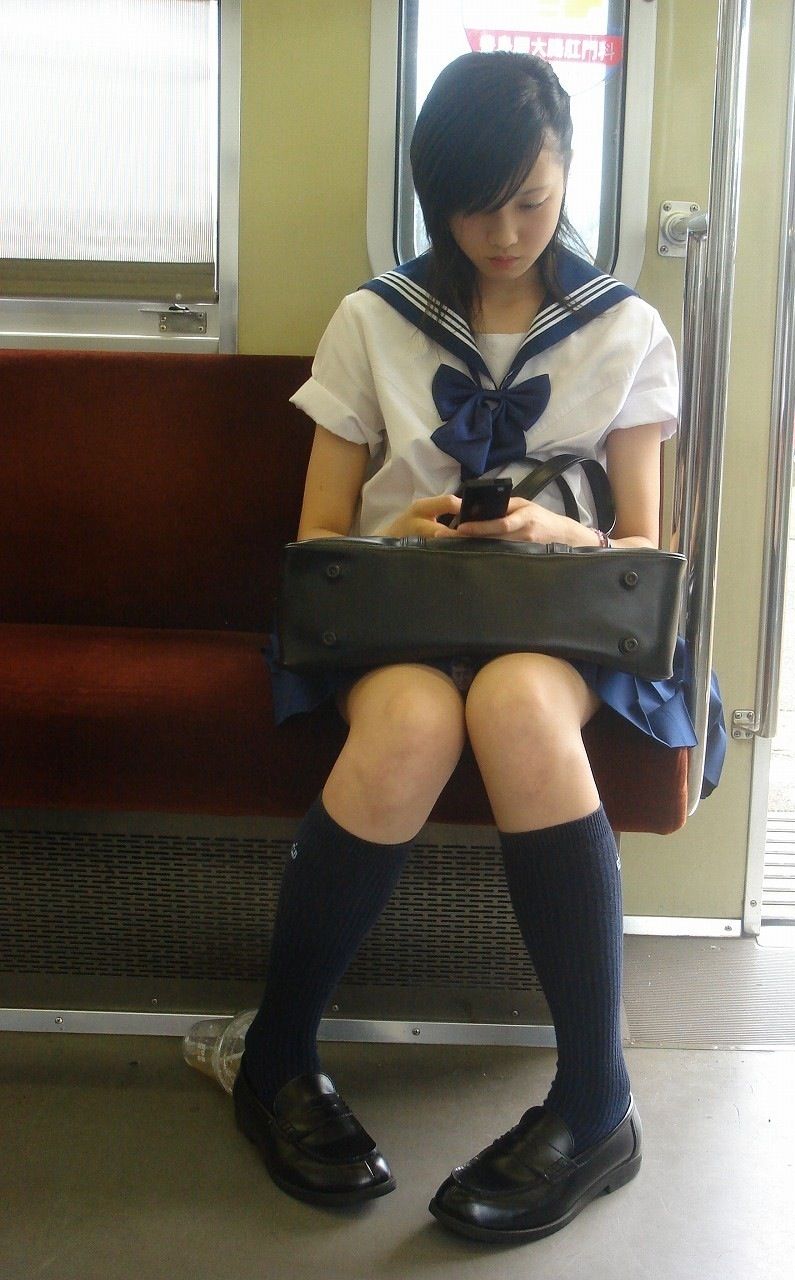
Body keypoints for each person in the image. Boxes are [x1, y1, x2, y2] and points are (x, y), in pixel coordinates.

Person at [234, 50, 724, 1244]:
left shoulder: (625, 327)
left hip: (562, 620)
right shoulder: (373, 318)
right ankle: (277, 1053)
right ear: (431, 196)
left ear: (568, 180)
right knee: (413, 717)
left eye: (531, 202)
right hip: (397, 609)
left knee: (513, 701)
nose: (503, 233)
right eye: (473, 204)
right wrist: (400, 530)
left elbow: (646, 544)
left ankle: (596, 1099)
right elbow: (317, 535)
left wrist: (557, 531)